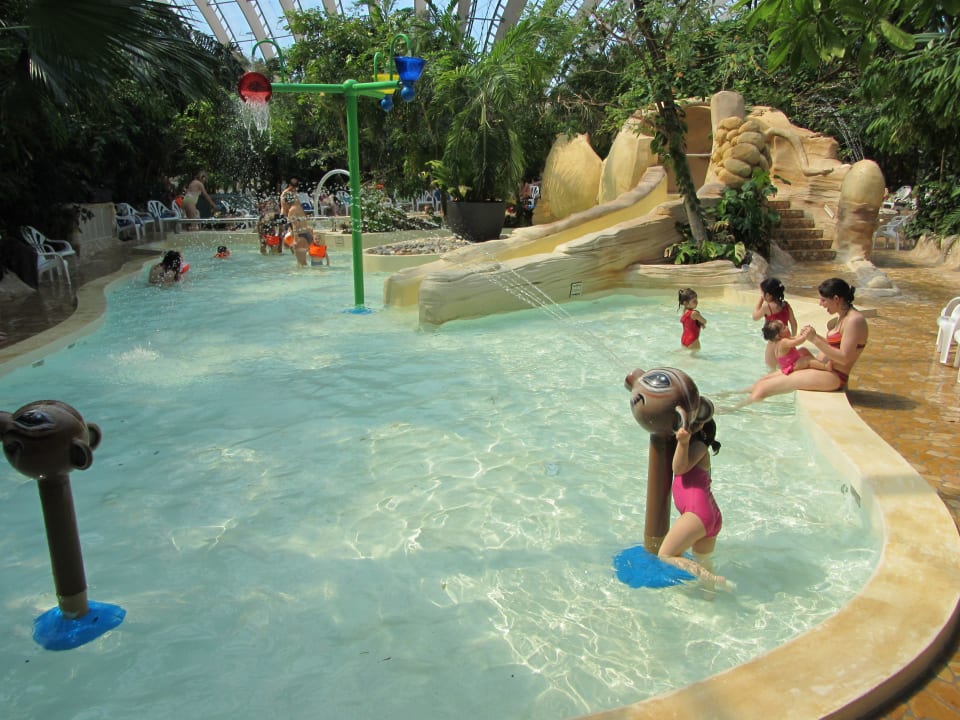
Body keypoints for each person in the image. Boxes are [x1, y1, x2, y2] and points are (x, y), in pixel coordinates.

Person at [743, 278, 868, 403]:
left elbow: (845, 358)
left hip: (834, 376)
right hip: (825, 369)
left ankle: (732, 409)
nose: (821, 304)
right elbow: (836, 346)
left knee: (764, 388)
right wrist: (814, 336)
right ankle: (729, 396)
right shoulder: (844, 316)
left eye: (823, 300)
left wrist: (814, 339)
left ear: (836, 299)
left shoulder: (854, 321)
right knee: (763, 380)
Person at [659, 402, 732, 590]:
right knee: (703, 560)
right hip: (710, 515)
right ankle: (710, 596)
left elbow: (679, 468)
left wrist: (683, 443)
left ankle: (711, 579)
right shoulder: (698, 449)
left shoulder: (699, 446)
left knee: (666, 555)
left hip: (697, 513)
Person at [752, 278, 798, 369]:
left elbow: (755, 317)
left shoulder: (767, 307)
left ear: (768, 295)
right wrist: (792, 338)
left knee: (771, 368)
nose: (761, 295)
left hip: (773, 343)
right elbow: (794, 324)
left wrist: (760, 300)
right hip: (786, 341)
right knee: (787, 367)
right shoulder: (786, 305)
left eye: (762, 293)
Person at [762, 319, 832, 375]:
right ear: (778, 336)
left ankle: (816, 363)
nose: (787, 327)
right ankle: (825, 367)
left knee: (803, 350)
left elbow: (796, 338)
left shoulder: (784, 340)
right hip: (790, 367)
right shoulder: (783, 342)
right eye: (784, 328)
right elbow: (797, 342)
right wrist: (806, 335)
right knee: (807, 360)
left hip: (793, 362)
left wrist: (802, 333)